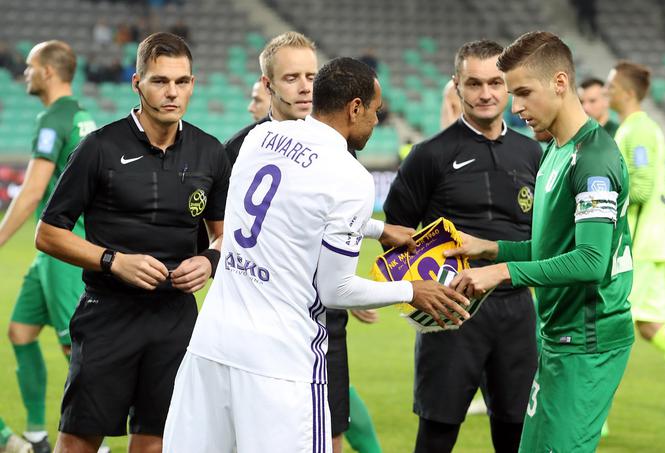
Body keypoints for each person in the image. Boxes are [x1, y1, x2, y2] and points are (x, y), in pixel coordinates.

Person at [163, 57, 471, 453]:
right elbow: (335, 289)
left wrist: (377, 228)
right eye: (375, 112)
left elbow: (289, 211)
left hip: (212, 343)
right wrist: (412, 291)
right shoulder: (349, 175)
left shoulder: (260, 138)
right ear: (354, 108)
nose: (376, 123)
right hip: (280, 362)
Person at [34, 32, 230, 453]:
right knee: (79, 440)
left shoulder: (210, 153)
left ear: (193, 83)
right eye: (160, 81)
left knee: (157, 440)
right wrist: (112, 261)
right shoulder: (99, 148)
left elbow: (223, 232)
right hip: (108, 315)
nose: (172, 92)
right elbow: (48, 233)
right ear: (137, 83)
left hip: (175, 317)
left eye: (182, 81)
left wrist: (211, 259)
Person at [446, 31, 634, 452]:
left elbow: (590, 261)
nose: (517, 107)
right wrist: (490, 248)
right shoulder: (554, 150)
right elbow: (554, 252)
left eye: (525, 93)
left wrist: (502, 271)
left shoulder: (594, 160)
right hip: (556, 337)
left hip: (587, 341)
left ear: (561, 83)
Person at [223, 32, 401, 453]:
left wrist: (359, 258)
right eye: (292, 78)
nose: (306, 87)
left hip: (323, 322)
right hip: (266, 321)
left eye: (311, 76)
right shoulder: (244, 147)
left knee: (328, 429)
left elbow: (323, 220)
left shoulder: (336, 147)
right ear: (267, 86)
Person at [383, 40, 542, 453]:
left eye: (494, 82)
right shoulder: (429, 155)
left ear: (508, 87)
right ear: (456, 86)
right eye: (473, 83)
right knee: (437, 432)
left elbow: (546, 236)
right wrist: (409, 289)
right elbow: (394, 232)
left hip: (517, 310)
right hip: (450, 312)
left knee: (517, 434)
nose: (485, 93)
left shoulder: (534, 153)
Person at [0, 40, 96, 453]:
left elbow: (32, 191)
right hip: (53, 252)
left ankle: (92, 439)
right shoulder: (81, 116)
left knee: (74, 347)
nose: (25, 72)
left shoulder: (53, 119)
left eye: (30, 66)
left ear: (50, 72)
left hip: (62, 248)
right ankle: (38, 434)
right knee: (20, 332)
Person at [607, 60, 665, 394]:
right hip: (650, 241)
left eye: (610, 86)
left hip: (640, 244)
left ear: (624, 92)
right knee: (649, 323)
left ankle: (593, 410)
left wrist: (603, 196)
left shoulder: (637, 130)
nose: (607, 92)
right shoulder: (636, 127)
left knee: (611, 322)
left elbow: (642, 188)